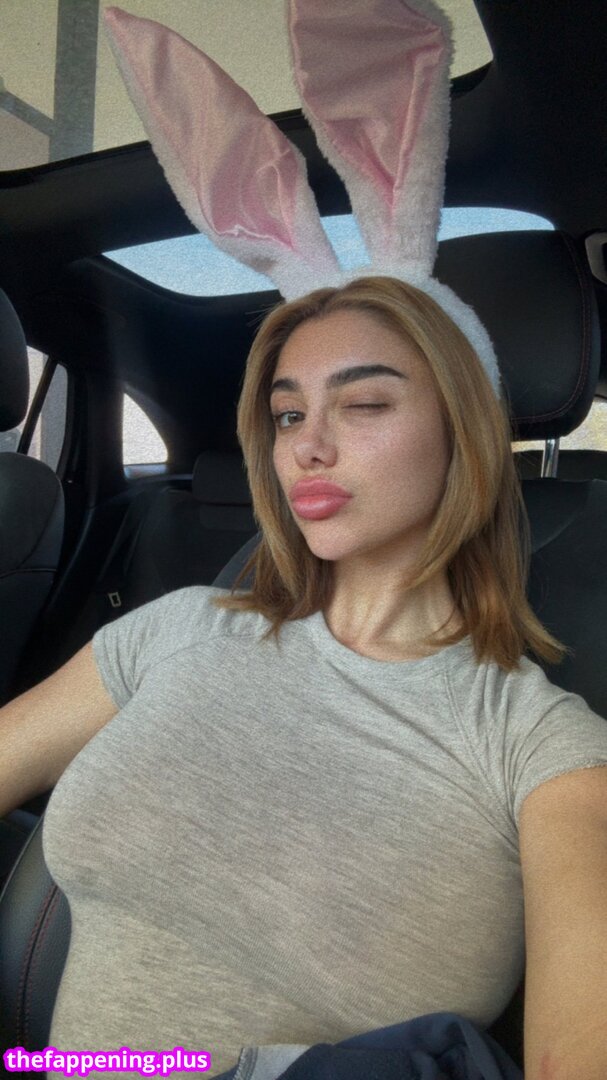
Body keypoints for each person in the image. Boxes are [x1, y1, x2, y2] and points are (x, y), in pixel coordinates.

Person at [3, 274, 607, 1080]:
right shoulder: (179, 627)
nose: (306, 445)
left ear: (462, 432)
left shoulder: (543, 747)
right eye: (288, 415)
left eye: (364, 404)